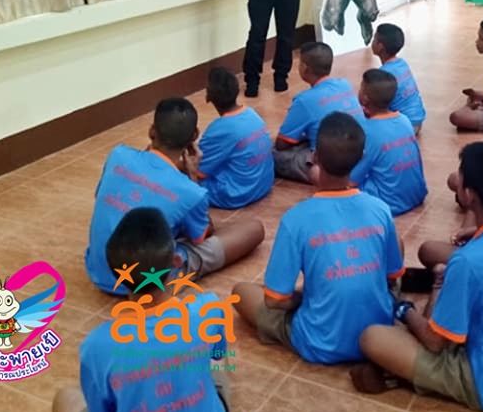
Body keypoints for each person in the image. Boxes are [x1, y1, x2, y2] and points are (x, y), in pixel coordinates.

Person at [351, 143, 483, 412]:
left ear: (469, 195)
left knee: (372, 338)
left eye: (460, 176)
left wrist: (405, 310)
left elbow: (435, 343)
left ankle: (403, 377)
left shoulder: (468, 261)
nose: (456, 180)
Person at [232, 112, 404, 364]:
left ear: (314, 158)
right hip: (379, 331)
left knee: (241, 292)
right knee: (393, 243)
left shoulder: (295, 219)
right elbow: (392, 277)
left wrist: (300, 298)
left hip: (320, 341)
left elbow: (274, 300)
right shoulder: (380, 209)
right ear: (362, 157)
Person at [53, 208, 235, 412]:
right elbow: (217, 356)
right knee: (215, 364)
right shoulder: (210, 309)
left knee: (65, 398)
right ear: (177, 261)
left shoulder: (96, 346)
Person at [85, 98, 265, 294]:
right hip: (146, 283)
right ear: (194, 136)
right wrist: (193, 178)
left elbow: (100, 195)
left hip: (99, 271)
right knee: (253, 229)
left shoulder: (117, 155)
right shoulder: (191, 191)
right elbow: (202, 236)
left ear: (152, 131)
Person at [273, 41, 365, 183]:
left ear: (305, 68)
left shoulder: (304, 100)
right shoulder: (344, 84)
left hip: (332, 162)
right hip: (358, 151)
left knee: (273, 154)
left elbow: (282, 144)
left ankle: (328, 178)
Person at [350, 69, 428, 216]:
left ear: (365, 98)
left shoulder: (368, 131)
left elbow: (351, 181)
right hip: (416, 196)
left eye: (360, 87)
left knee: (335, 180)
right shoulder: (404, 120)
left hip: (389, 203)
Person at [197, 66, 274, 209]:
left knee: (181, 180)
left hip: (237, 194)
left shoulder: (218, 129)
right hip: (263, 184)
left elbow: (199, 172)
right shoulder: (252, 113)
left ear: (208, 96)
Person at [372, 23, 427, 134]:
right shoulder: (402, 64)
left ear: (380, 46)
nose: (372, 42)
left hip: (403, 126)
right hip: (417, 121)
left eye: (374, 39)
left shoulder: (383, 74)